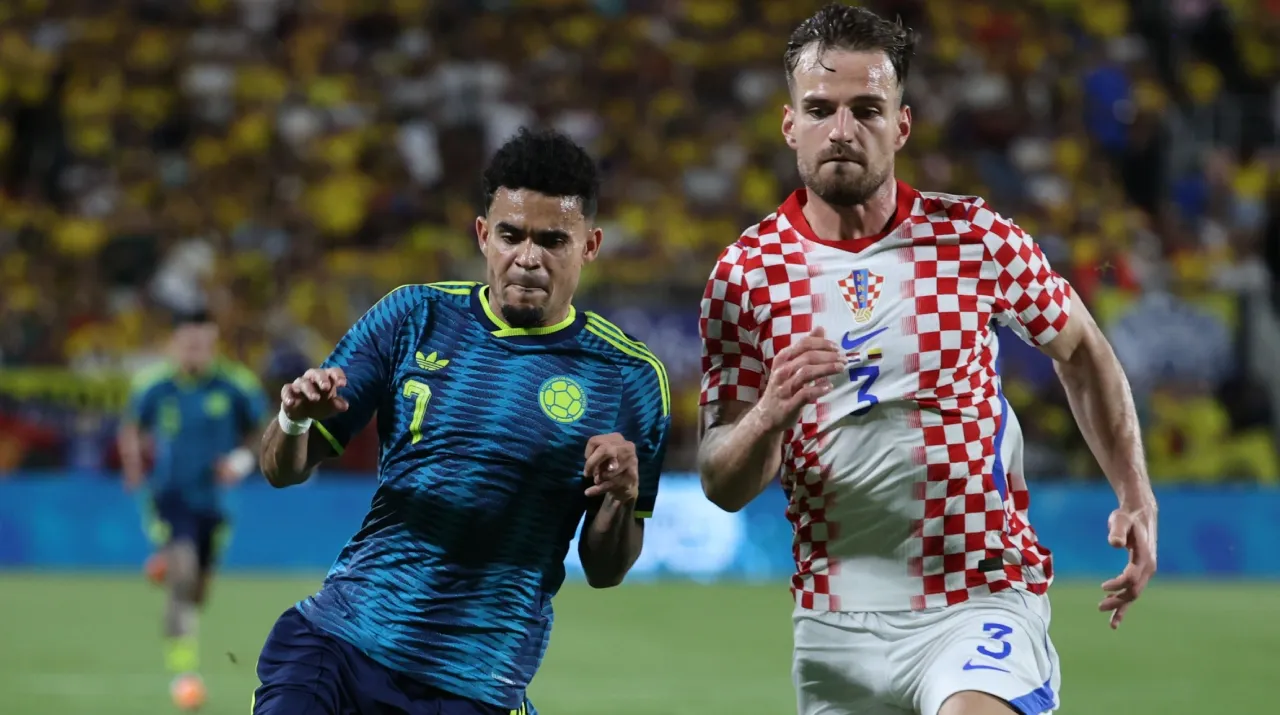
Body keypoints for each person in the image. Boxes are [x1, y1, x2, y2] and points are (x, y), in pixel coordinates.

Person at [696, 5, 1158, 715]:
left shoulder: (974, 238)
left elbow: (1084, 349)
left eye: (867, 109)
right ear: (790, 125)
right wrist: (768, 414)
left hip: (977, 597)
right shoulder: (745, 275)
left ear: (900, 125)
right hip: (836, 624)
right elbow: (723, 481)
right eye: (820, 109)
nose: (842, 131)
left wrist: (1135, 492)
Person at [253, 128, 671, 715]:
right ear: (483, 235)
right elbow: (280, 471)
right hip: (340, 644)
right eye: (511, 235)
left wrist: (620, 499)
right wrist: (294, 421)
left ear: (590, 245)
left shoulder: (628, 377)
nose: (528, 256)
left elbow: (606, 569)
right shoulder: (413, 317)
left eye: (553, 240)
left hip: (476, 682)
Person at [118, 309, 267, 709]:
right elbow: (132, 426)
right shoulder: (155, 386)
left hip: (216, 505)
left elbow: (264, 431)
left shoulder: (236, 385)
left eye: (202, 344)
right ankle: (184, 674)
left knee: (198, 590)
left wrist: (240, 461)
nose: (195, 352)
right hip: (169, 497)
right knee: (183, 577)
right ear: (174, 345)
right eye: (188, 344)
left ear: (213, 346)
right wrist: (133, 465)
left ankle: (172, 572)